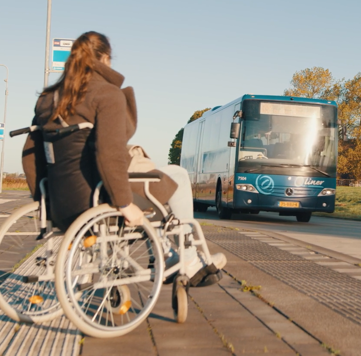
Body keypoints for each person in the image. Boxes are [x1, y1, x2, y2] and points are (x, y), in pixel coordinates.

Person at [21, 31, 224, 274]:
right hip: (99, 197)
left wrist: (43, 199)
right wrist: (124, 204)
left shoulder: (48, 99)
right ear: (105, 58)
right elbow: (110, 154)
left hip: (61, 203)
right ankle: (189, 259)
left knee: (150, 185)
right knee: (176, 176)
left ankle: (167, 253)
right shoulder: (106, 94)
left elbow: (31, 153)